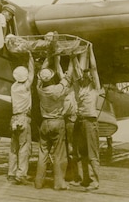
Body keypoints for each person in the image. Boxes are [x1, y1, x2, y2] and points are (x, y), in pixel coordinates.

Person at [34, 55, 74, 190]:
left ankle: (38, 183)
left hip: (44, 123)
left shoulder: (39, 90)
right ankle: (59, 183)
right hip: (57, 122)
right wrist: (65, 59)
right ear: (52, 78)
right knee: (59, 154)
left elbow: (40, 77)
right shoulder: (57, 89)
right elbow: (65, 78)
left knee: (42, 154)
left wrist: (48, 56)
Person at [73, 57, 100, 191]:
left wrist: (90, 50)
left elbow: (94, 69)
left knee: (92, 153)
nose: (84, 77)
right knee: (79, 152)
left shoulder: (94, 88)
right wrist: (73, 57)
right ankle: (83, 179)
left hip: (90, 121)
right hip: (80, 120)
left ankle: (95, 181)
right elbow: (76, 70)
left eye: (87, 76)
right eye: (84, 75)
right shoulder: (79, 88)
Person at [7, 52, 34, 185]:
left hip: (14, 119)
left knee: (13, 147)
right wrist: (30, 58)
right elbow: (32, 74)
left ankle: (11, 173)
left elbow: (25, 76)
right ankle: (21, 174)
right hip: (24, 119)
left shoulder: (13, 87)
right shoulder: (26, 87)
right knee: (24, 148)